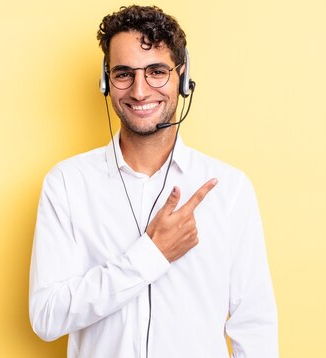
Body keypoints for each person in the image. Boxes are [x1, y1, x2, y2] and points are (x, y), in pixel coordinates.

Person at [29, 5, 278, 357]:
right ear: (106, 81)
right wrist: (151, 255)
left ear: (183, 77)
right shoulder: (67, 184)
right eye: (124, 74)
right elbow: (47, 316)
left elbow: (254, 327)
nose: (140, 91)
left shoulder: (230, 189)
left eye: (157, 72)